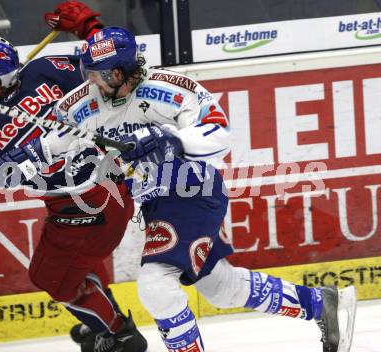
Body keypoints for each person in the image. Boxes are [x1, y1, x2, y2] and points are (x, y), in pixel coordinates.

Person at [54, 26, 358, 352]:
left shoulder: (169, 88)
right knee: (220, 286)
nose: (92, 83)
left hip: (191, 190)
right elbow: (55, 140)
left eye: (98, 75)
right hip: (157, 204)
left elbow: (219, 131)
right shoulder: (83, 103)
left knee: (156, 285)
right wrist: (32, 154)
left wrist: (174, 140)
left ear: (118, 73)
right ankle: (322, 304)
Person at [0, 4, 148, 352]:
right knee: (77, 268)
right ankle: (101, 323)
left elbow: (104, 72)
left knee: (51, 278)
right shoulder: (27, 83)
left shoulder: (43, 72)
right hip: (100, 200)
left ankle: (120, 335)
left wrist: (91, 29)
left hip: (87, 204)